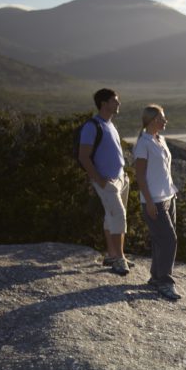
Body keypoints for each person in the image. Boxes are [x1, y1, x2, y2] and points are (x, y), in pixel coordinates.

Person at [79, 88, 130, 276]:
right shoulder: (92, 126)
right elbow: (83, 157)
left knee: (112, 216)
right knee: (119, 216)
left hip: (120, 179)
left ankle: (111, 255)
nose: (118, 104)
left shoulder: (110, 124)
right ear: (104, 104)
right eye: (115, 101)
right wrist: (99, 180)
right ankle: (119, 258)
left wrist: (124, 177)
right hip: (106, 181)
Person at [134, 104, 181, 300]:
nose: (165, 121)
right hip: (154, 201)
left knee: (160, 240)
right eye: (162, 118)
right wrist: (150, 202)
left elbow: (163, 172)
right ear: (153, 120)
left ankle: (155, 277)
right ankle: (165, 282)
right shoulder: (143, 144)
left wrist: (171, 193)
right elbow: (140, 176)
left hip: (169, 197)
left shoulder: (160, 140)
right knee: (169, 240)